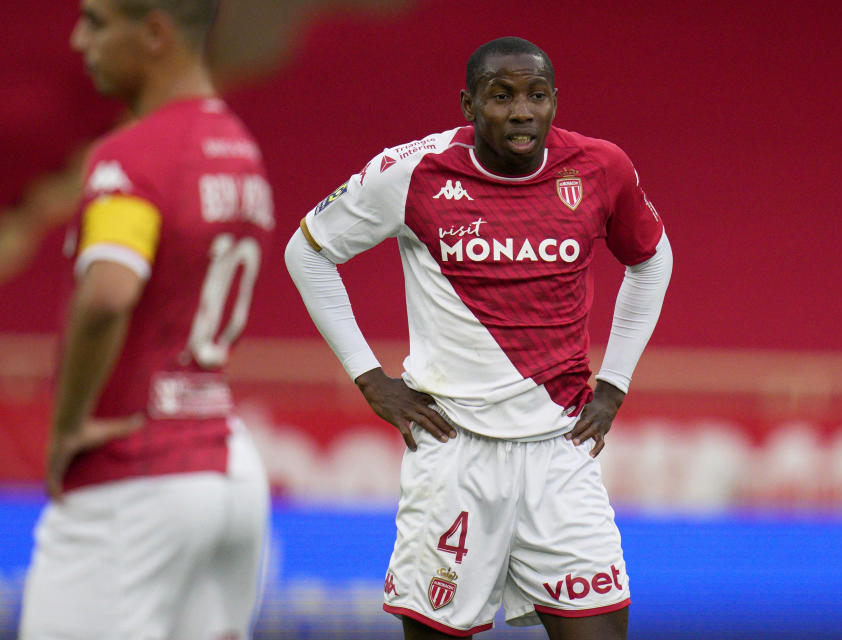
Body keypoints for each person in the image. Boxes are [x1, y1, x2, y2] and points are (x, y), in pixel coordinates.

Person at [286, 36, 672, 639]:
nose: (522, 112)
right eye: (501, 96)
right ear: (468, 105)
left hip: (558, 453)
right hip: (453, 452)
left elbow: (652, 258)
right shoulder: (412, 171)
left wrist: (615, 384)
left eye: (537, 96)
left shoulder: (601, 168)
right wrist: (370, 379)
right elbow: (306, 252)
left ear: (554, 102)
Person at [18, 0, 274, 638]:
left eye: (98, 22)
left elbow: (109, 293)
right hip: (226, 461)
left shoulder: (132, 158)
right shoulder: (240, 149)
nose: (80, 41)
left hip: (134, 472)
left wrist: (68, 425)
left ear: (155, 32)